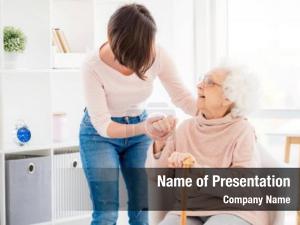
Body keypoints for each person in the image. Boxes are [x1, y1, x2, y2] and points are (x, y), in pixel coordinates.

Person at [79, 3, 197, 225]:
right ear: (122, 47)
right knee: (106, 213)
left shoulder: (156, 52)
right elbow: (104, 126)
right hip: (98, 136)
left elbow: (182, 97)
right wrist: (145, 128)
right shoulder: (92, 65)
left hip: (139, 131)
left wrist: (224, 115)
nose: (149, 52)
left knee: (143, 209)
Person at [147, 65, 269, 225]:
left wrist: (200, 173)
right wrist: (160, 141)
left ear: (228, 97)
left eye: (209, 82)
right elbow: (159, 176)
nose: (199, 85)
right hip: (188, 209)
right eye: (202, 80)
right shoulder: (185, 128)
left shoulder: (242, 130)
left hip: (236, 210)